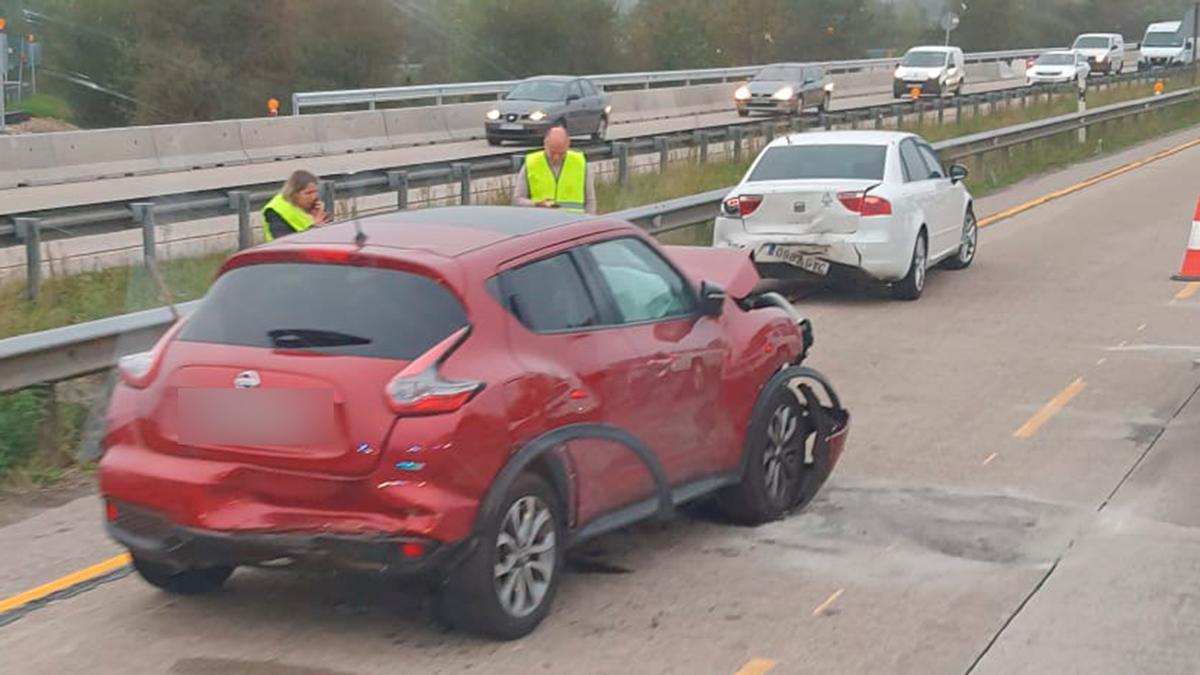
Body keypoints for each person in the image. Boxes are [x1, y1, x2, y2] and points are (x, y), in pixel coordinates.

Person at [512, 126, 596, 214]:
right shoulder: (531, 163)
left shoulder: (580, 163)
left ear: (568, 145)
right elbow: (517, 200)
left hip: (573, 223)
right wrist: (535, 204)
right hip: (543, 222)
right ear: (545, 144)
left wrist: (588, 221)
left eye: (561, 153)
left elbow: (590, 201)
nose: (556, 158)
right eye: (552, 152)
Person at [261, 170, 329, 242]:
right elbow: (284, 242)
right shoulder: (275, 210)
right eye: (308, 193)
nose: (313, 197)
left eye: (315, 192)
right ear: (294, 193)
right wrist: (315, 227)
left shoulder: (314, 208)